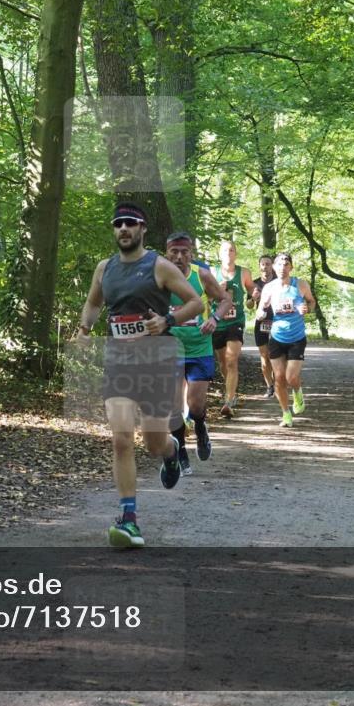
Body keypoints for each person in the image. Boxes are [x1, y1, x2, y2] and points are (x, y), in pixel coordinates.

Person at [75, 203, 204, 548]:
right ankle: (128, 518)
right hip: (119, 361)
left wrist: (167, 321)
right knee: (120, 438)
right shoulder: (105, 269)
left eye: (130, 223)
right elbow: (93, 303)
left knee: (153, 443)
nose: (123, 229)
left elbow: (196, 302)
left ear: (142, 229)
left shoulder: (159, 267)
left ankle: (171, 449)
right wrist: (85, 328)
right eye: (118, 224)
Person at [164, 232, 233, 475]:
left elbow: (225, 300)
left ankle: (201, 426)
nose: (180, 257)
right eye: (175, 252)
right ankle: (180, 449)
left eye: (185, 252)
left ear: (191, 254)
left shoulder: (201, 275)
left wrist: (214, 318)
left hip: (199, 347)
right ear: (167, 253)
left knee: (195, 404)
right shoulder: (157, 277)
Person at [256, 252, 316, 428]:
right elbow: (261, 308)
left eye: (286, 264)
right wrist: (260, 313)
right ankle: (286, 413)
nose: (283, 267)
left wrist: (307, 308)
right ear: (274, 267)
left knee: (291, 377)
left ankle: (298, 392)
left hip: (297, 337)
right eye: (279, 264)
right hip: (276, 337)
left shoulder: (301, 285)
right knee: (279, 378)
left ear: (291, 267)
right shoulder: (269, 288)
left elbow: (312, 302)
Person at [213, 240, 255, 418]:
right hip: (217, 322)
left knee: (232, 360)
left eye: (231, 250)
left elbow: (252, 290)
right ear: (219, 254)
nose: (228, 253)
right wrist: (216, 291)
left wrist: (254, 296)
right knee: (223, 363)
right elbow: (203, 296)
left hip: (235, 321)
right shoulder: (211, 272)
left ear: (235, 254)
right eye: (225, 250)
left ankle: (228, 401)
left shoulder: (243, 272)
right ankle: (230, 390)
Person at [250, 254, 276, 399]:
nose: (265, 266)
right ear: (259, 266)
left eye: (268, 263)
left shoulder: (280, 281)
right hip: (261, 323)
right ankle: (269, 386)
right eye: (263, 264)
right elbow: (248, 306)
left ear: (272, 265)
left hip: (278, 322)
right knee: (264, 356)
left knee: (277, 355)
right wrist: (253, 299)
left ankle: (279, 383)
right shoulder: (255, 284)